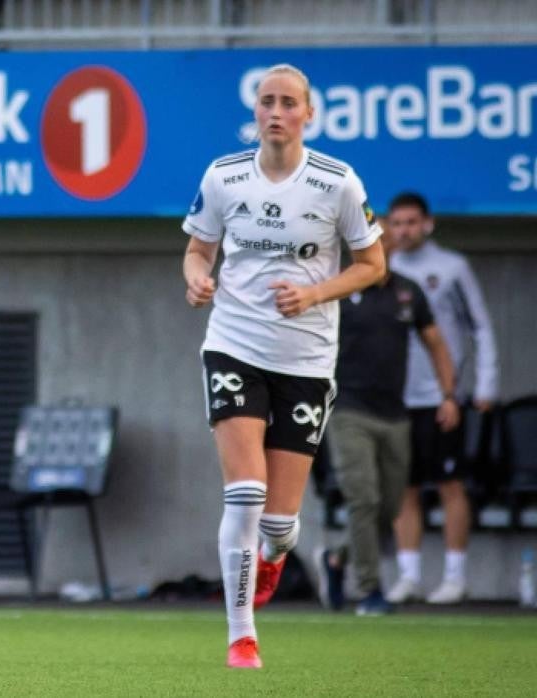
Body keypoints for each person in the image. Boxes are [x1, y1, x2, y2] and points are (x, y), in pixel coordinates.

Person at [182, 63, 385, 668]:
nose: (276, 112)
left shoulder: (337, 183)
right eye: (267, 102)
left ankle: (274, 555)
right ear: (256, 112)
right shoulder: (224, 176)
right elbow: (197, 250)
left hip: (306, 361)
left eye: (288, 103)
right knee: (243, 493)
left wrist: (316, 293)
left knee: (278, 522)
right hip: (234, 345)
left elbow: (373, 265)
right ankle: (241, 635)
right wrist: (197, 279)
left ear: (307, 114)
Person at [319, 223, 459, 616]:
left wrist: (448, 395)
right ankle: (369, 591)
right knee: (362, 500)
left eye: (377, 242)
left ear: (388, 247)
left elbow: (435, 342)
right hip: (348, 411)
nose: (372, 248)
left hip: (396, 415)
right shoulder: (338, 289)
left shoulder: (407, 291)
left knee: (391, 505)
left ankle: (337, 557)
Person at [384, 191, 498, 606]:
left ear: (427, 223)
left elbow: (480, 327)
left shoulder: (452, 267)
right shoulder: (383, 269)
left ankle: (455, 576)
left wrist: (484, 384)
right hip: (397, 397)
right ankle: (409, 576)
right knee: (404, 488)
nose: (404, 230)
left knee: (450, 484)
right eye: (396, 223)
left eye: (411, 222)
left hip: (443, 396)